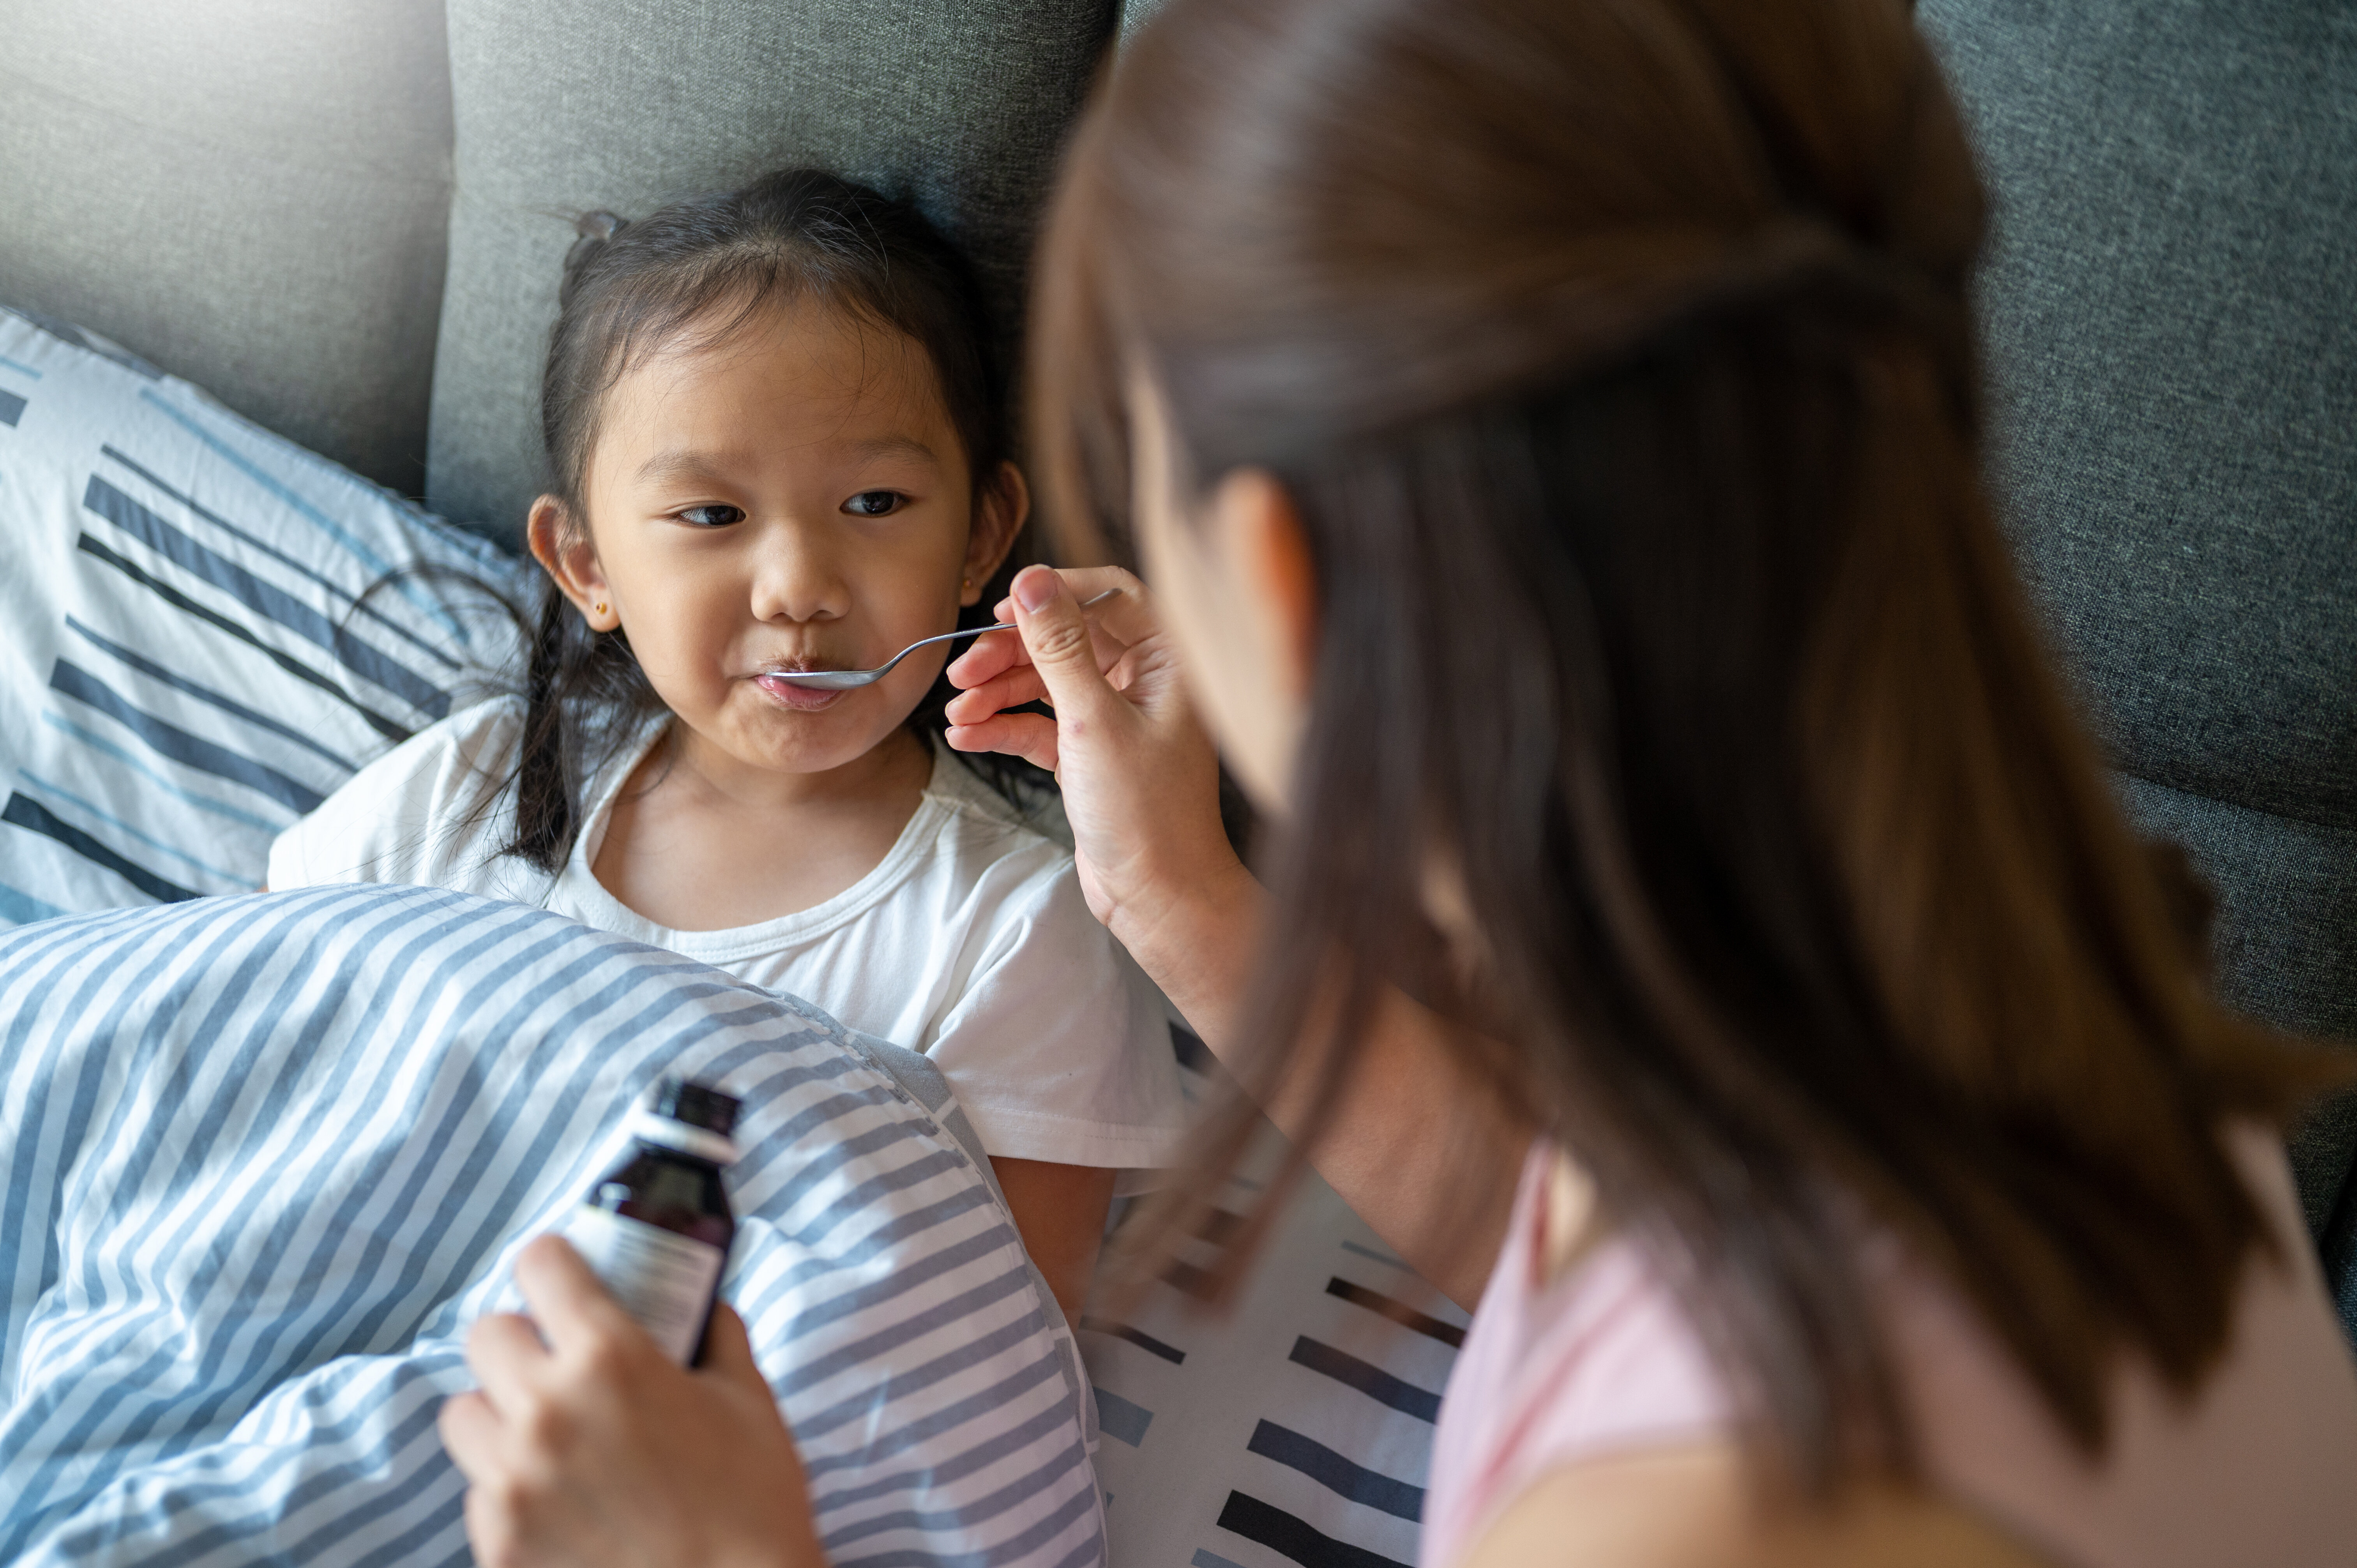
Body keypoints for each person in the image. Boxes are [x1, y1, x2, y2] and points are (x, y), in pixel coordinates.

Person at [436, 2, 2357, 1564]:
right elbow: (1547, 1227)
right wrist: (1178, 888)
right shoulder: (2029, 1008)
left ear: (1255, 562)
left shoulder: (1706, 1520)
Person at [266, 169, 1188, 1324]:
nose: (799, 587)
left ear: (982, 537)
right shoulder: (464, 789)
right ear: (589, 566)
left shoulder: (1010, 931)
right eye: (712, 516)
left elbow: (1010, 1373)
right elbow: (244, 1065)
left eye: (875, 504)